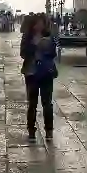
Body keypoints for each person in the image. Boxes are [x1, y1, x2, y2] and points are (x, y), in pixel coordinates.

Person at [22, 13, 60, 142]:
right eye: (36, 23)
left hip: (46, 73)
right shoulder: (27, 37)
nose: (39, 25)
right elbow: (23, 53)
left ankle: (49, 130)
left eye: (41, 23)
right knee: (32, 104)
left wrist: (46, 46)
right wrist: (34, 46)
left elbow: (54, 54)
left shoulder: (49, 36)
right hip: (31, 73)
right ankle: (31, 129)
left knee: (47, 103)